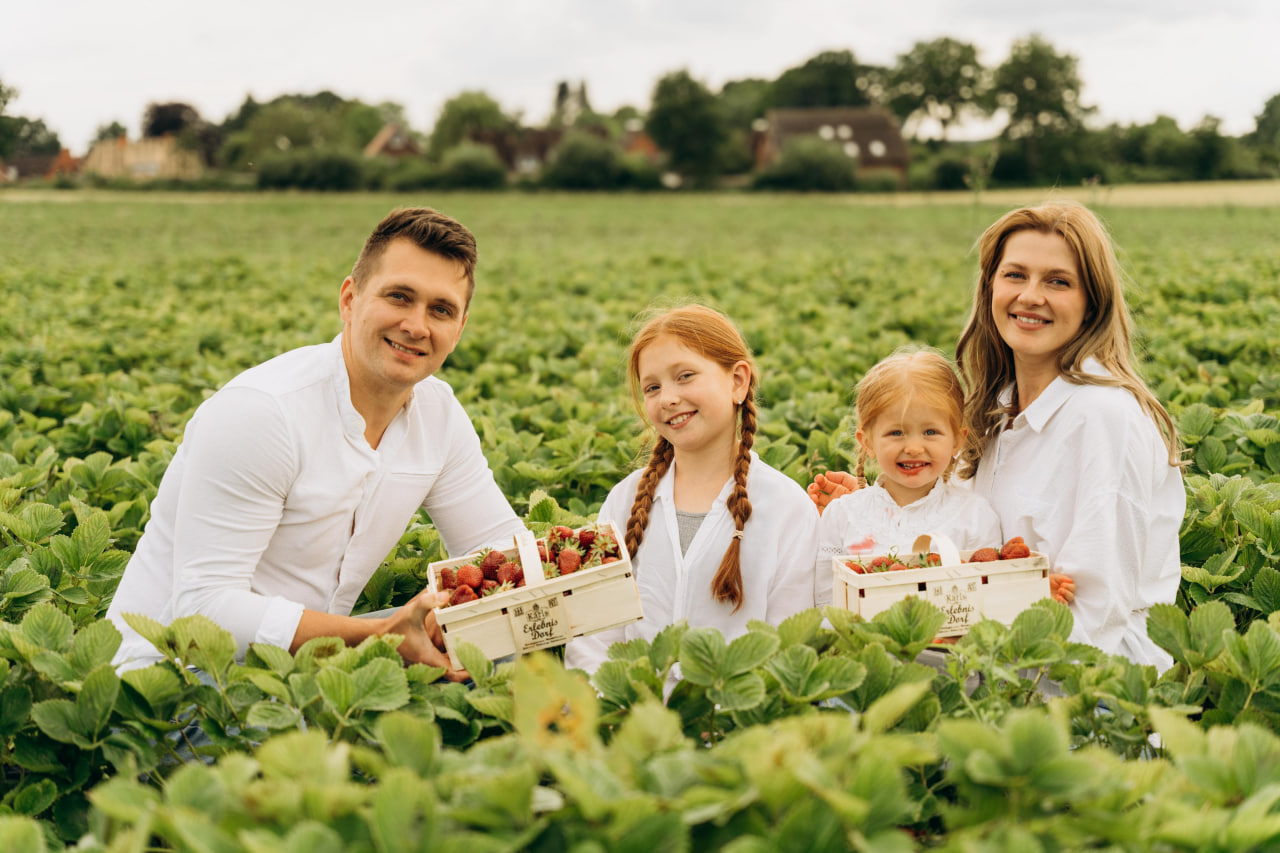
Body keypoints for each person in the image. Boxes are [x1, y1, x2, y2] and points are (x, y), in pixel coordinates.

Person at [107, 207, 526, 677]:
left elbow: (503, 550)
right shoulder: (264, 412)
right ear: (349, 300)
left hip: (306, 665)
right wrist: (383, 637)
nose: (416, 325)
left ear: (460, 328)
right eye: (399, 297)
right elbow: (203, 612)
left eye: (441, 310)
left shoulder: (439, 416)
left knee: (504, 642)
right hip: (178, 674)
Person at [811, 202, 1182, 670]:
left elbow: (1096, 614)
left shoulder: (1104, 418)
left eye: (1058, 281)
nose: (1031, 295)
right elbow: (960, 541)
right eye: (1015, 275)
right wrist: (883, 509)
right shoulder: (999, 411)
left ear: (1093, 303)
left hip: (1074, 686)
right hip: (983, 670)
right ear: (990, 287)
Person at [564, 305, 819, 678]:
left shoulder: (786, 507)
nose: (668, 398)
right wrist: (612, 701)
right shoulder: (624, 500)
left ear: (738, 382)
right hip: (629, 710)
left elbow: (789, 641)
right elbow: (591, 635)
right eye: (652, 387)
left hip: (739, 709)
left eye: (685, 376)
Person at [814, 349, 1003, 604]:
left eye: (930, 432)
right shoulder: (842, 515)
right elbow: (826, 599)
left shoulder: (975, 518)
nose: (913, 448)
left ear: (957, 440)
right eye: (896, 433)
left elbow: (990, 598)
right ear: (867, 441)